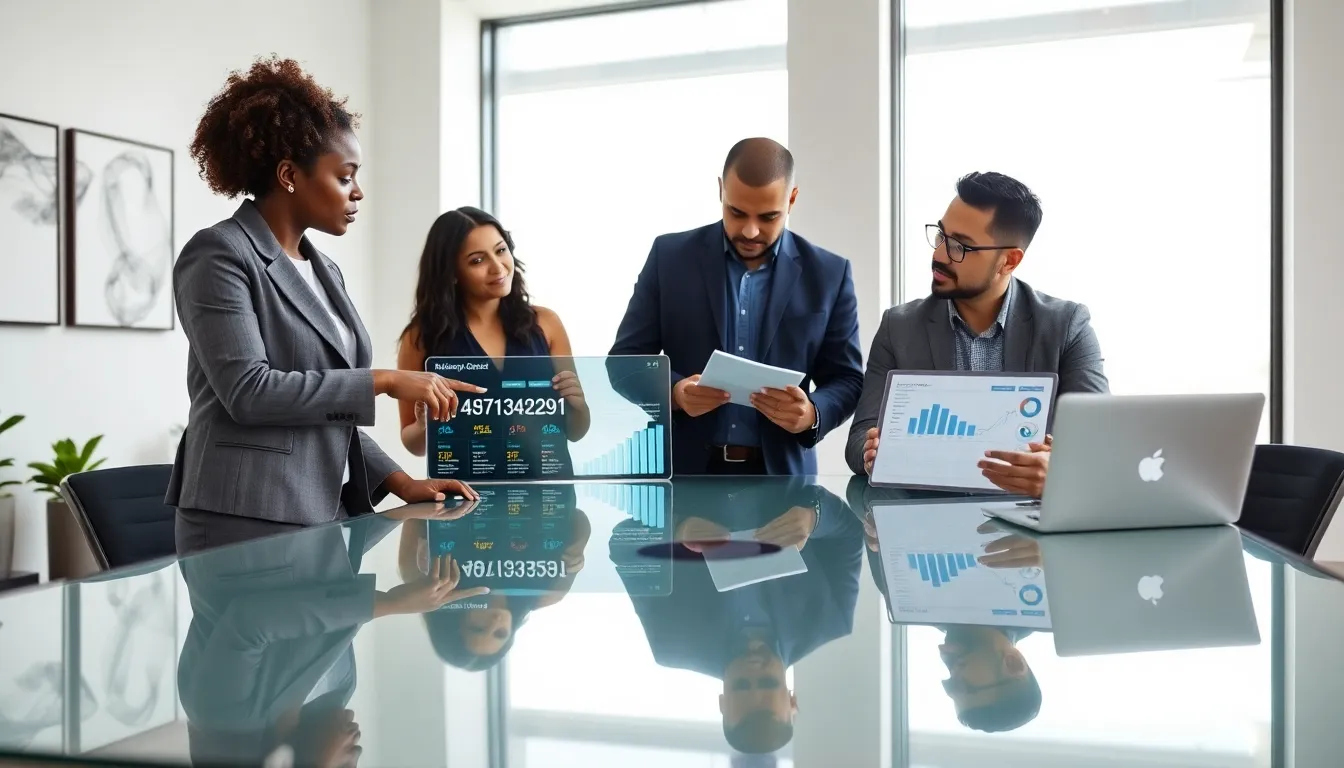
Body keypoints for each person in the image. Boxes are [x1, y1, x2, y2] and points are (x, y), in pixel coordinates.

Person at [168, 56, 477, 549]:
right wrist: (386, 380)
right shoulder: (218, 254)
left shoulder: (324, 270)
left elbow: (328, 410)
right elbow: (249, 392)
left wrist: (401, 483)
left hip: (325, 513)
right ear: (289, 174)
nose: (358, 193)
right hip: (245, 517)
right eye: (345, 176)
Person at [609, 138, 864, 475]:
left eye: (769, 217)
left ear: (792, 199)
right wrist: (675, 393)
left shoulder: (830, 274)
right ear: (721, 190)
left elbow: (847, 379)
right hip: (686, 477)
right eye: (737, 212)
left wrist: (811, 413)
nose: (750, 231)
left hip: (783, 482)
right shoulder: (669, 258)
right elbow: (624, 362)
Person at [847, 172, 1109, 496]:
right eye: (941, 235)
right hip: (926, 517)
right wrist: (873, 453)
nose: (939, 255)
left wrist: (1060, 472)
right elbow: (859, 438)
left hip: (1025, 520)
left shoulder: (1067, 326)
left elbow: (1101, 443)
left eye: (959, 246)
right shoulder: (899, 327)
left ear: (1009, 261)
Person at [616, 477, 865, 754]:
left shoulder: (672, 643)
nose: (754, 667)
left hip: (692, 471)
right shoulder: (832, 619)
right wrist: (813, 518)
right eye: (768, 681)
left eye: (741, 684)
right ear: (791, 699)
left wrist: (676, 528)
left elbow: (624, 545)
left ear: (722, 702)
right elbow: (851, 533)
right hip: (778, 466)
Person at [396, 207, 589, 463]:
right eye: (477, 260)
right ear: (451, 273)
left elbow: (576, 432)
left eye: (500, 250)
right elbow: (414, 445)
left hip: (547, 482)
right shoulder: (419, 338)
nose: (498, 268)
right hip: (464, 486)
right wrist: (424, 426)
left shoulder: (547, 323)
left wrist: (578, 405)